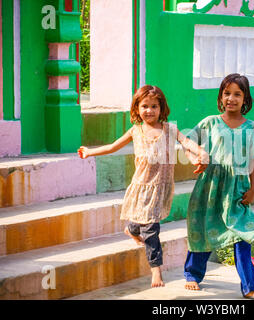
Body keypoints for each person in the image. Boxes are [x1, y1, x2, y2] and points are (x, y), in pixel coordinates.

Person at [78, 85, 208, 288]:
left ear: (161, 108)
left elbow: (186, 142)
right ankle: (156, 271)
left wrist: (199, 152)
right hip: (142, 186)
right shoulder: (135, 131)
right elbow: (113, 146)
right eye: (144, 106)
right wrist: (89, 152)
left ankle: (131, 230)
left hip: (160, 187)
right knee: (150, 229)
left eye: (154, 106)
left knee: (145, 225)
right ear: (136, 108)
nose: (149, 110)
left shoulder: (169, 129)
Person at [183, 73, 254, 299]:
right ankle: (192, 274)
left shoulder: (251, 127)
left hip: (237, 190)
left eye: (237, 94)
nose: (231, 98)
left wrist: (253, 187)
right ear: (221, 97)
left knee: (243, 235)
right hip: (209, 188)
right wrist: (196, 159)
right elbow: (186, 143)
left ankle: (250, 287)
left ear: (245, 98)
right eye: (227, 93)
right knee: (204, 230)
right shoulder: (209, 123)